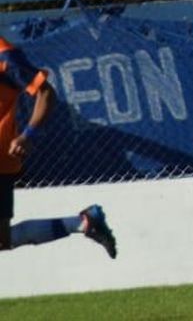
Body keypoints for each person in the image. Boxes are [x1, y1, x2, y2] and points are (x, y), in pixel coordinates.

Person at [0, 35, 117, 258]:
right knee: (2, 241)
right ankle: (83, 223)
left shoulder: (5, 55)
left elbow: (46, 93)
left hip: (1, 159)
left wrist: (28, 135)